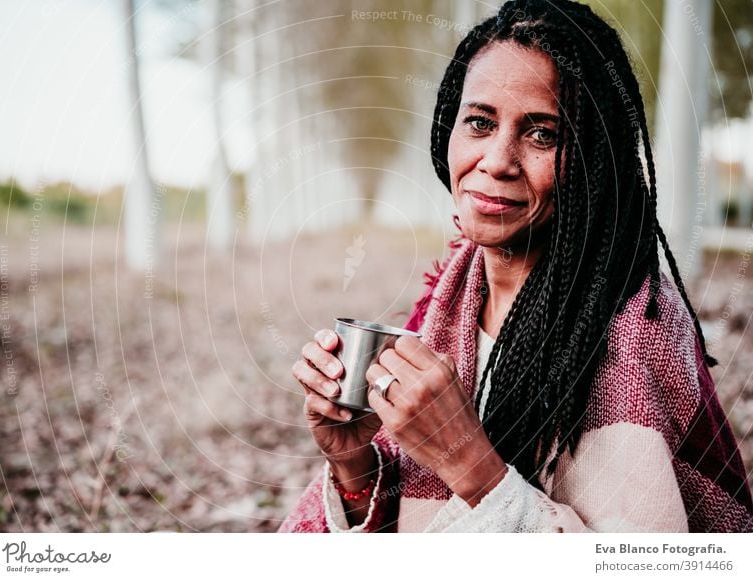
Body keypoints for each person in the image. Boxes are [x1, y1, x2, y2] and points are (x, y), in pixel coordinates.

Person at [278, 0, 753, 532]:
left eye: (542, 134)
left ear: (594, 162)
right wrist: (353, 464)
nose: (498, 160)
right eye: (480, 122)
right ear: (446, 132)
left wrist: (468, 462)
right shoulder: (448, 300)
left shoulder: (633, 330)